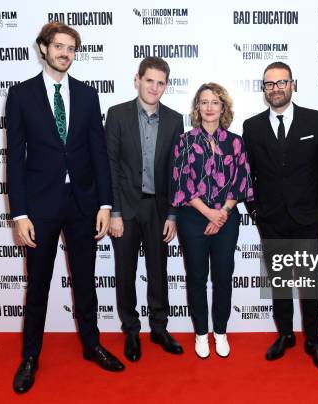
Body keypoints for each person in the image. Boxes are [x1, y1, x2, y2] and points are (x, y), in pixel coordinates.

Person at [6, 22, 124, 394]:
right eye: (58, 46)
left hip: (83, 203)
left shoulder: (88, 96)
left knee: (86, 279)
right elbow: (15, 158)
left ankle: (91, 345)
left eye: (71, 48)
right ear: (43, 48)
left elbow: (99, 155)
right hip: (40, 207)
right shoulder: (21, 95)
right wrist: (19, 213)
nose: (65, 53)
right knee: (38, 284)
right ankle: (30, 356)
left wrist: (105, 203)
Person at [242, 62, 318, 372]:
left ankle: (314, 341)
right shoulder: (252, 127)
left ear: (292, 85)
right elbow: (247, 174)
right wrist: (255, 212)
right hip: (271, 221)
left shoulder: (316, 120)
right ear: (263, 89)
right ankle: (284, 335)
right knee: (279, 283)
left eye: (282, 82)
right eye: (270, 84)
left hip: (307, 218)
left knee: (310, 285)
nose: (276, 88)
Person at [105, 57, 184, 362]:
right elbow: (110, 165)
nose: (154, 87)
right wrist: (112, 212)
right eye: (149, 80)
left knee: (158, 272)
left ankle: (159, 328)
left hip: (159, 209)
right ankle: (131, 330)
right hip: (124, 209)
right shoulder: (117, 115)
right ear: (136, 79)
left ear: (166, 85)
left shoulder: (175, 120)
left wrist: (173, 214)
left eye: (160, 82)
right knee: (125, 273)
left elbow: (177, 171)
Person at [171, 83, 253, 358]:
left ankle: (220, 331)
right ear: (197, 107)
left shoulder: (236, 141)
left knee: (222, 277)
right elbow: (182, 183)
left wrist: (222, 214)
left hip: (226, 219)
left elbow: (241, 182)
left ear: (223, 108)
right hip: (193, 219)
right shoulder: (185, 140)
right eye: (203, 102)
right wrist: (209, 214)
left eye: (214, 102)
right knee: (196, 277)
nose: (208, 107)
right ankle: (201, 334)